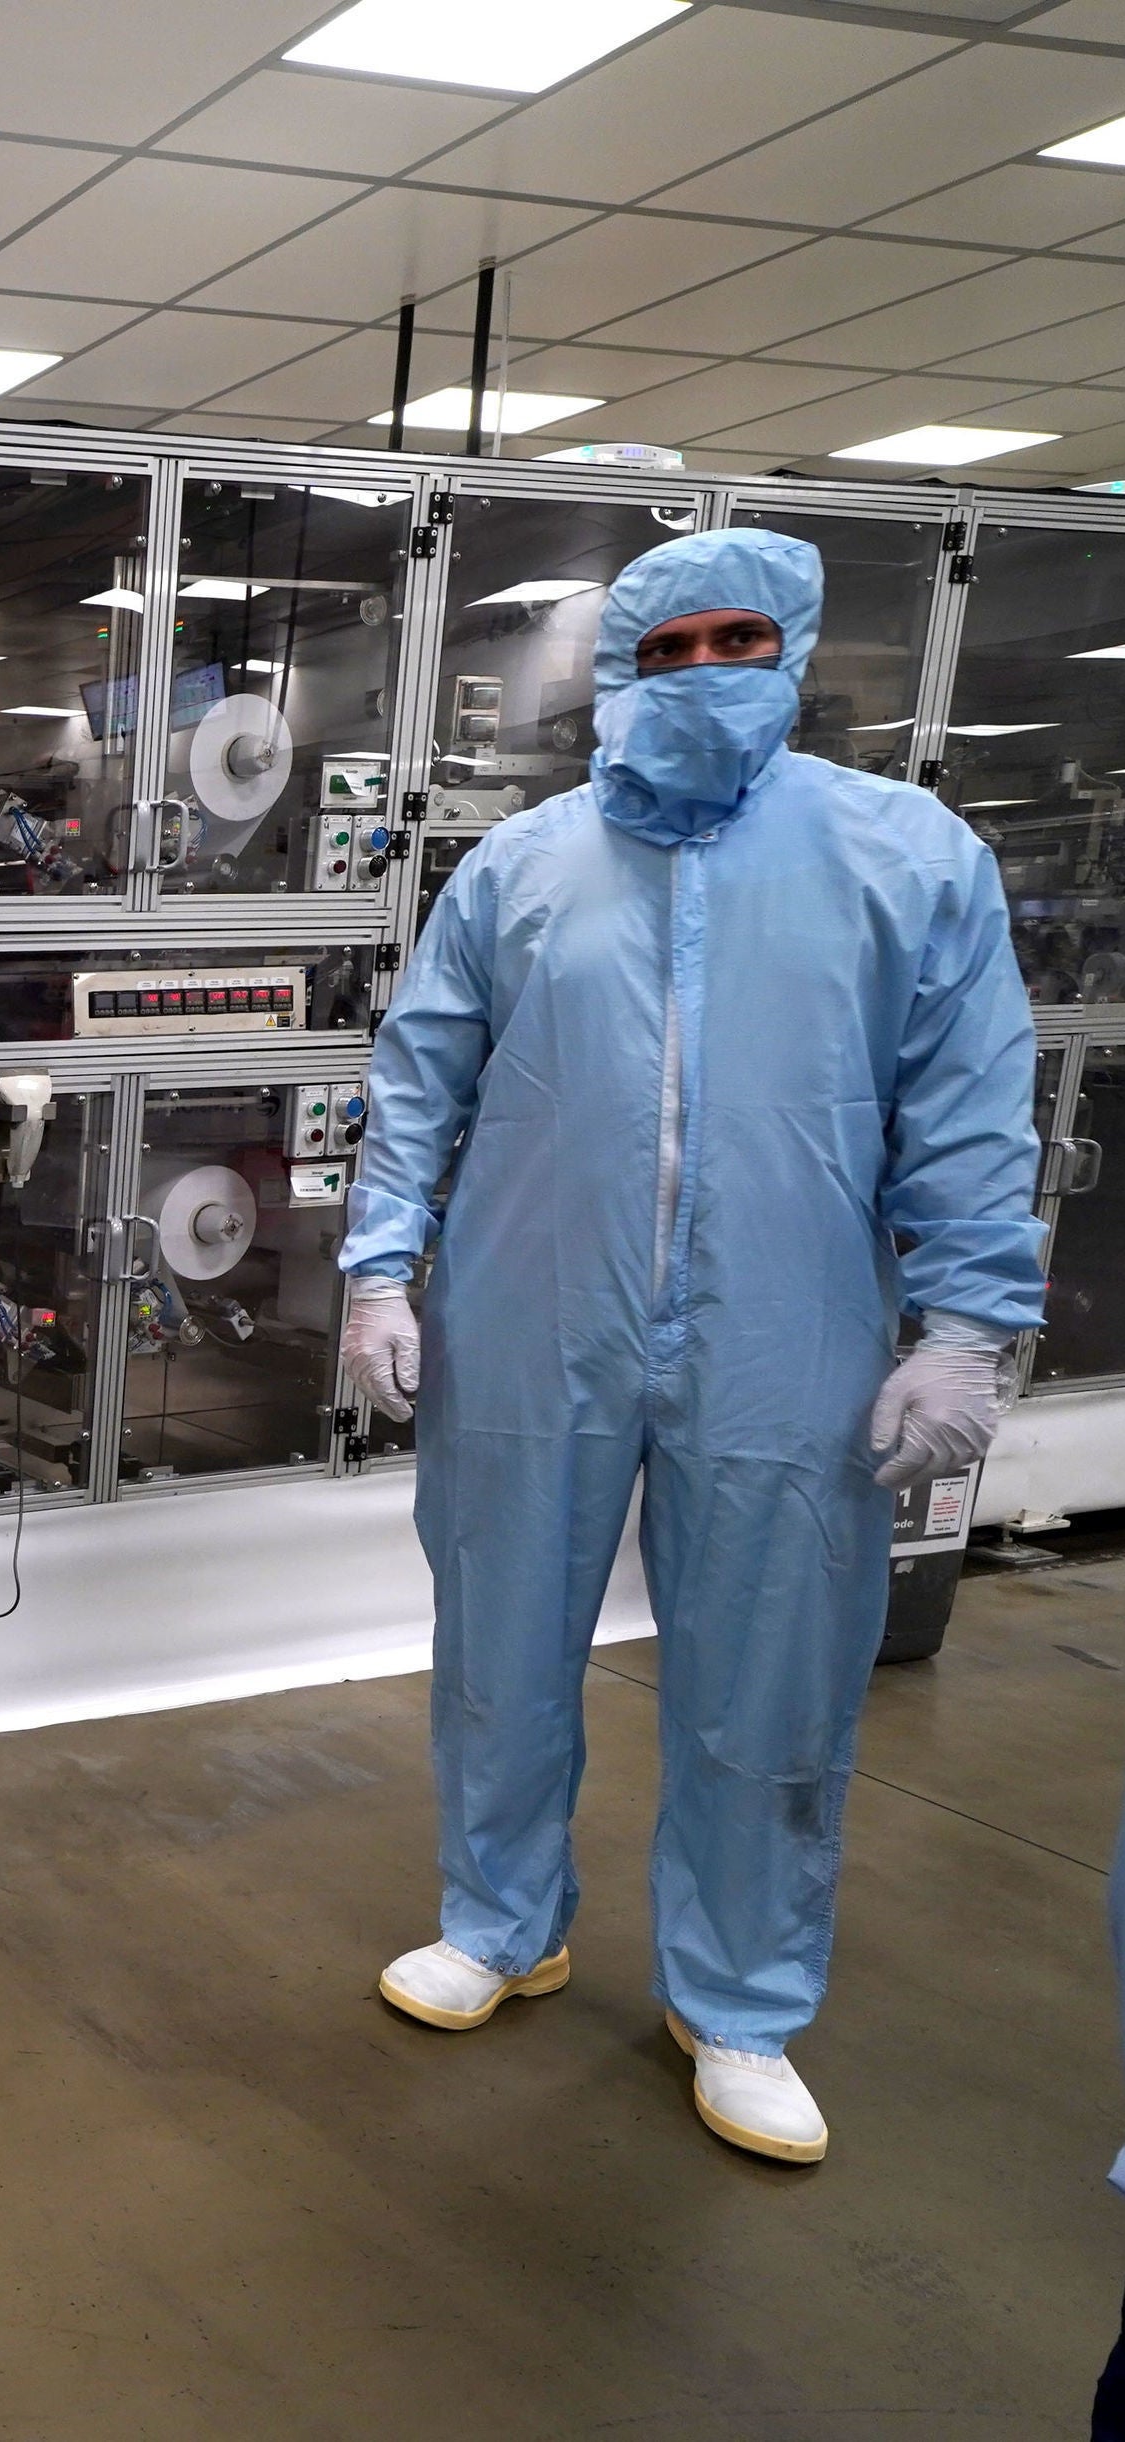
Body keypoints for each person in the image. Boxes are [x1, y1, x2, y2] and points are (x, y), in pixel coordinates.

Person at [340, 528, 1042, 2166]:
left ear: (791, 653)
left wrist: (967, 1327)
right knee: (500, 1645)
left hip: (788, 1331)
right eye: (675, 646)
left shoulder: (909, 856)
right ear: (623, 671)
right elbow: (420, 1076)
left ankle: (739, 2000)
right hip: (529, 1320)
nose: (710, 670)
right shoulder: (520, 868)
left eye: (744, 639)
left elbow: (970, 1113)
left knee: (774, 1671)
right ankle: (502, 1921)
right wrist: (382, 1268)